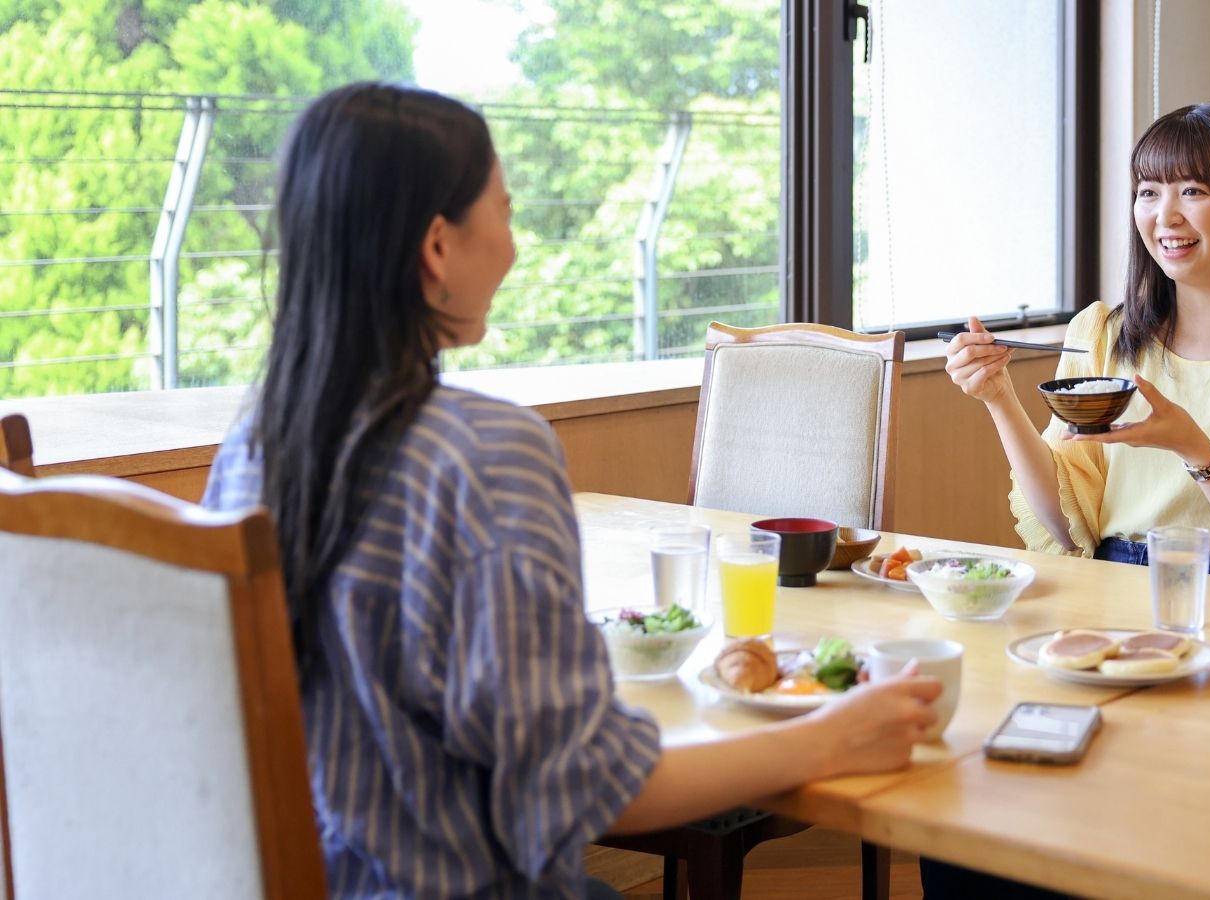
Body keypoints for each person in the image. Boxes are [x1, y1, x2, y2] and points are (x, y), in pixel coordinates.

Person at [202, 82, 941, 900]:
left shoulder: (249, 452)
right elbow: (585, 787)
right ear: (437, 249)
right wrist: (828, 736)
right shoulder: (489, 454)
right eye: (505, 212)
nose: (514, 247)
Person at [944, 101, 1210, 592]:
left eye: (1192, 191)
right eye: (1148, 192)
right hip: (1105, 588)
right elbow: (1064, 525)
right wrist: (998, 396)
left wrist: (1194, 448)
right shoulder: (1102, 333)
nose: (1165, 215)